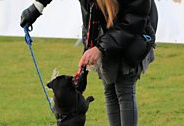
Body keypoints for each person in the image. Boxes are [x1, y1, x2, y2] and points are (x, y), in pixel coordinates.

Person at [20, 0, 158, 126]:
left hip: (134, 31)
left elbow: (134, 21)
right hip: (104, 26)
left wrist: (100, 48)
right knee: (109, 87)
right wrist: (37, 7)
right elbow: (91, 16)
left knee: (124, 87)